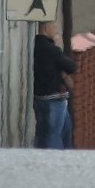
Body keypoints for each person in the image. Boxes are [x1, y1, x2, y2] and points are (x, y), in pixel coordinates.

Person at [33, 20, 76, 149]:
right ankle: (55, 164)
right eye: (54, 27)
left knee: (42, 135)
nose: (57, 31)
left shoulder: (34, 46)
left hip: (39, 98)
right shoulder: (50, 49)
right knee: (54, 136)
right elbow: (71, 67)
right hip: (53, 99)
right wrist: (57, 47)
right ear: (46, 28)